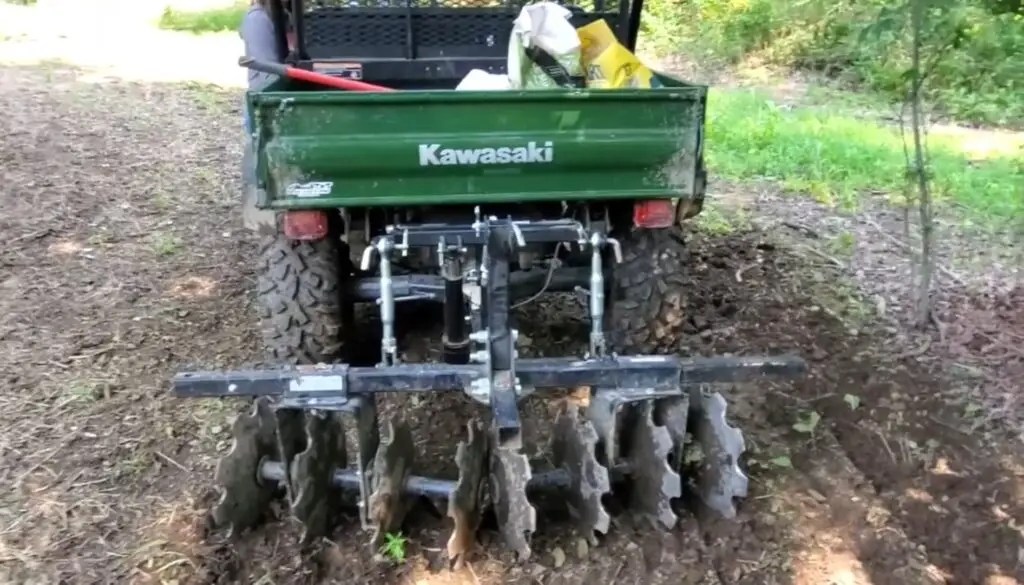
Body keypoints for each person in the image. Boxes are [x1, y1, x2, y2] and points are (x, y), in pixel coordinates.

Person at [239, 0, 284, 232]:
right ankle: (260, 214)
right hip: (264, 99)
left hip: (267, 96)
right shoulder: (258, 18)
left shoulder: (275, 15)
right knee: (260, 152)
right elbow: (270, 72)